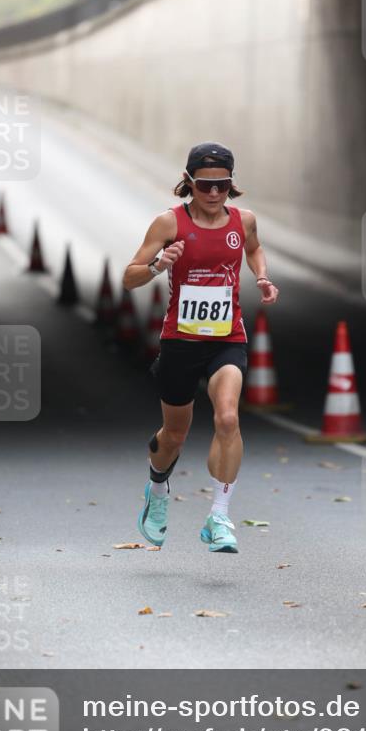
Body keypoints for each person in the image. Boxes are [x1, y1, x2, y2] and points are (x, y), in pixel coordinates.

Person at [122, 142, 279, 554]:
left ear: (232, 184)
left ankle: (220, 516)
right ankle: (157, 493)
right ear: (189, 182)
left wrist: (261, 276)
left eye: (222, 185)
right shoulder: (168, 224)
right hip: (181, 341)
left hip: (227, 338)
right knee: (175, 434)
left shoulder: (243, 220)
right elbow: (128, 278)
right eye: (205, 185)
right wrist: (159, 265)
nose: (213, 194)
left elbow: (254, 248)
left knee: (227, 417)